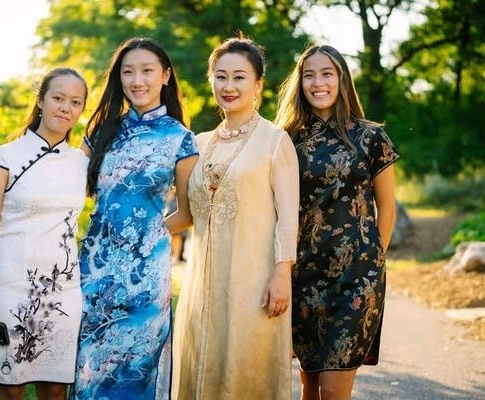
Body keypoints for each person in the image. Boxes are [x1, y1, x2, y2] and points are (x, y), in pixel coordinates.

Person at [172, 35, 299, 400]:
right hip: (201, 288)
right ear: (210, 79)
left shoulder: (275, 142)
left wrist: (281, 274)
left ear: (258, 85)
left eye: (239, 77)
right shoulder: (197, 143)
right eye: (221, 76)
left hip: (254, 285)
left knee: (245, 370)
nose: (229, 86)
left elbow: (289, 216)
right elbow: (187, 214)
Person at [72, 37, 198, 399]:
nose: (137, 80)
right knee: (89, 373)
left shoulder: (181, 139)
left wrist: (149, 234)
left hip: (146, 278)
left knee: (132, 375)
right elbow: (69, 190)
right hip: (94, 272)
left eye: (146, 71)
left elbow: (187, 213)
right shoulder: (101, 132)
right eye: (128, 72)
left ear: (165, 76)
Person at [274, 44, 400, 400]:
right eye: (309, 75)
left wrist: (373, 261)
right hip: (303, 275)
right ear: (300, 83)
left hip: (357, 278)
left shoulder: (371, 136)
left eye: (326, 73)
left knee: (333, 388)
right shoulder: (285, 140)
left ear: (342, 79)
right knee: (309, 385)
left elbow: (386, 207)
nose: (318, 83)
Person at [0, 67, 89, 399]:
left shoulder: (81, 164)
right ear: (41, 100)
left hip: (63, 293)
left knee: (55, 392)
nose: (65, 108)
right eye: (58, 98)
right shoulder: (4, 159)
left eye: (75, 102)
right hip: (9, 291)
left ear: (81, 110)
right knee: (10, 390)